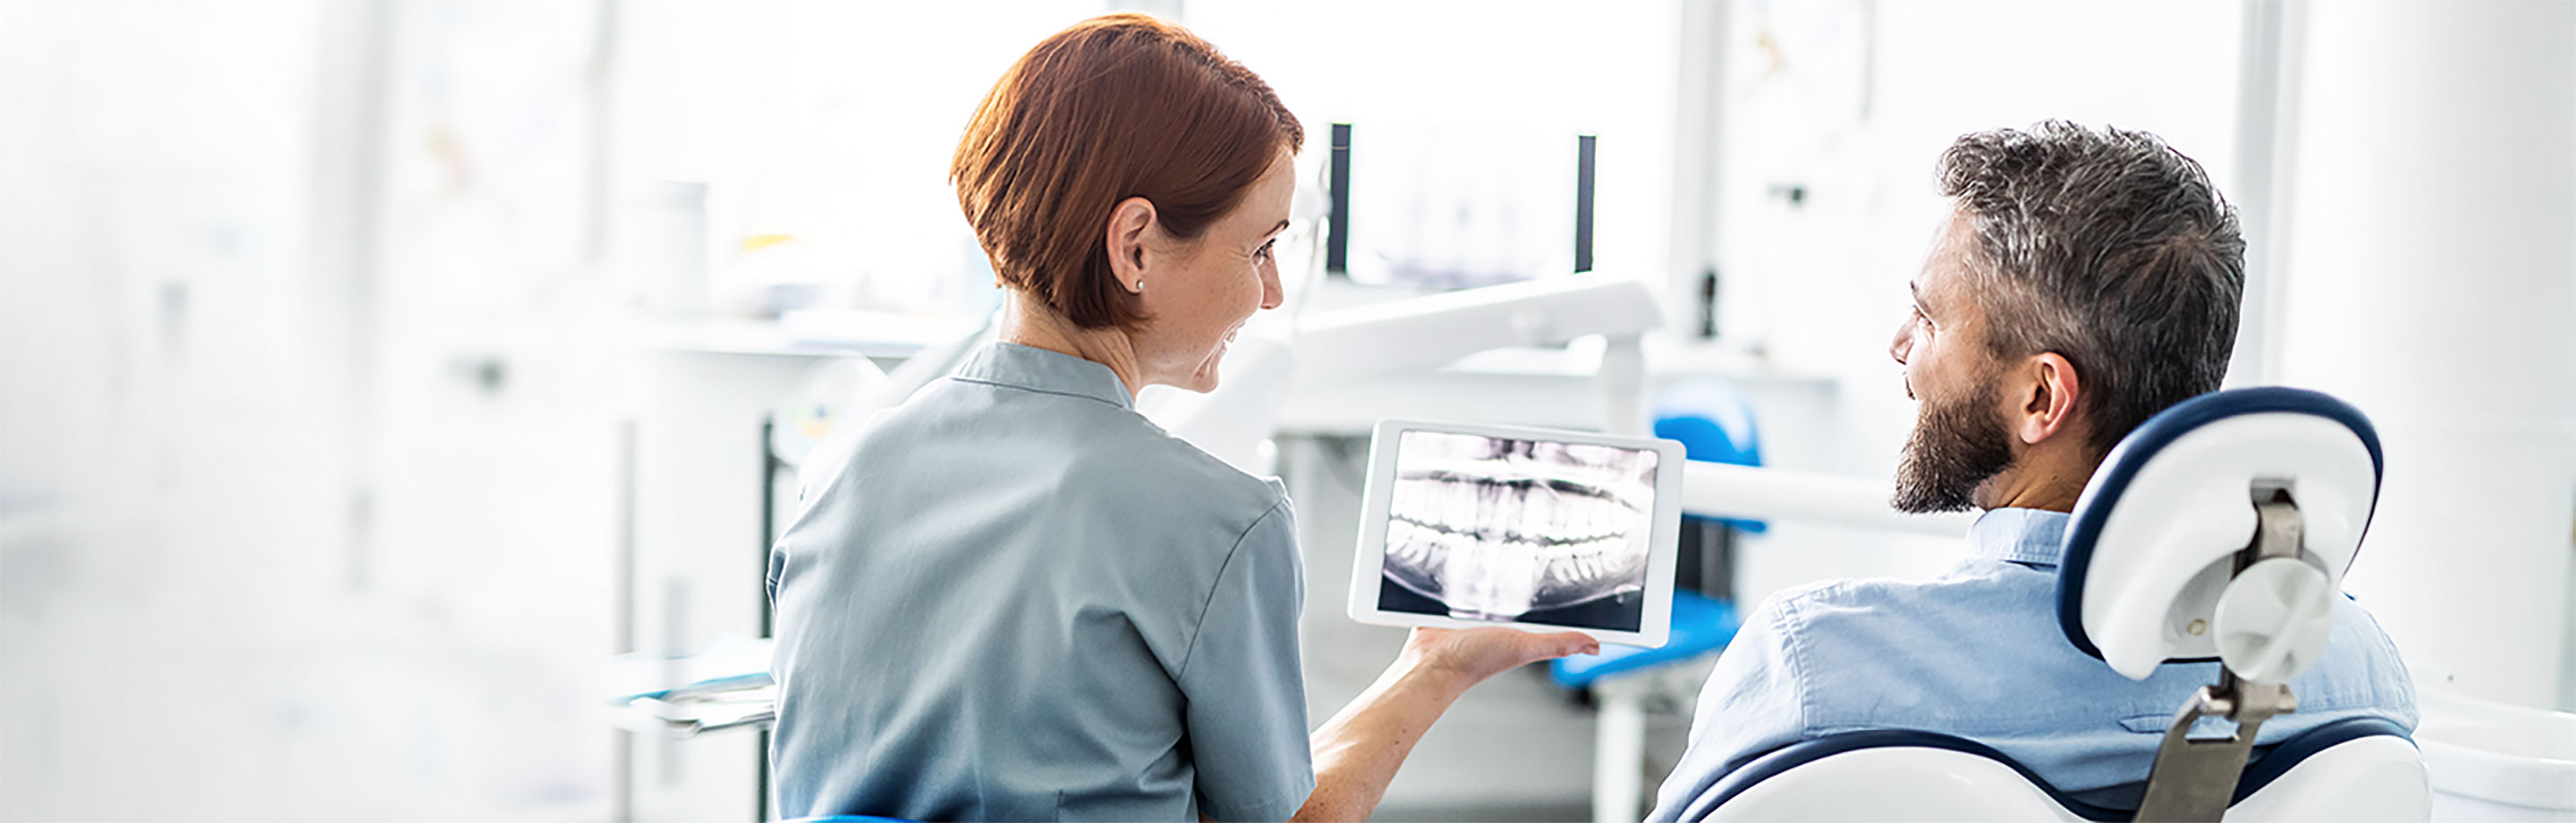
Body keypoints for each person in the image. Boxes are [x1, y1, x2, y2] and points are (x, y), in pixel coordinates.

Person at [765, 13, 1595, 822]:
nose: (1271, 294)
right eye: (1261, 248)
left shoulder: (843, 472)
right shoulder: (1222, 522)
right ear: (1135, 246)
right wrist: (1436, 667)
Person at [1647, 122, 2418, 821]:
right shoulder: (2356, 669)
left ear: (2041, 396)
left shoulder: (1813, 668)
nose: (1899, 344)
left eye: (1929, 318)